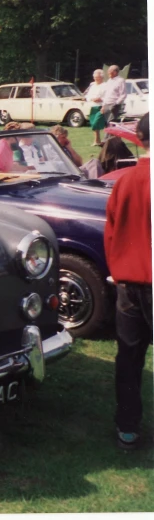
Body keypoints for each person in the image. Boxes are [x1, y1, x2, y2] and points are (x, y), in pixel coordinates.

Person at [104, 112, 151, 450]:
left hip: (128, 283)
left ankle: (128, 426)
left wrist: (118, 268)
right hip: (137, 279)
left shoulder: (125, 182)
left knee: (130, 357)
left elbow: (111, 230)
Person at [85, 69, 107, 146]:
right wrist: (91, 98)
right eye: (95, 77)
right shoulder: (92, 85)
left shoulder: (105, 85)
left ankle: (104, 140)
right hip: (93, 106)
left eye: (98, 77)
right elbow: (87, 96)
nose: (96, 79)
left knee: (96, 123)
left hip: (101, 107)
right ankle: (97, 141)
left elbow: (108, 97)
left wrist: (101, 99)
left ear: (102, 77)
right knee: (93, 124)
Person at [102, 65, 126, 132]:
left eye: (109, 71)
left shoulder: (120, 80)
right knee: (106, 123)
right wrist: (103, 105)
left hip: (114, 105)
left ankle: (106, 140)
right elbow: (106, 94)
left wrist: (116, 103)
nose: (108, 73)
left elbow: (123, 94)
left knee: (111, 123)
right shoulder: (109, 81)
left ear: (115, 72)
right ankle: (112, 140)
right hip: (106, 104)